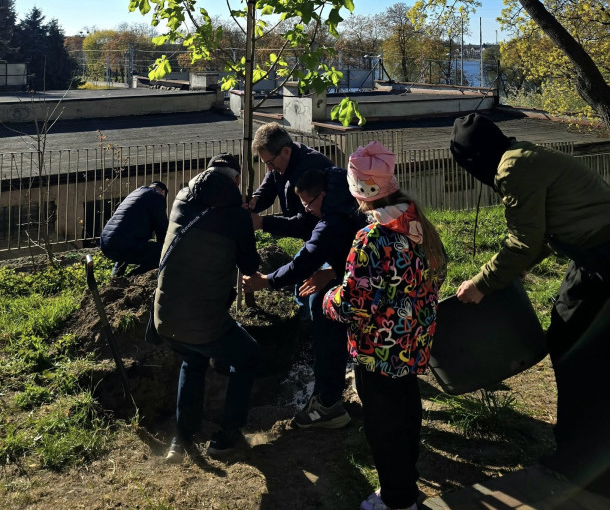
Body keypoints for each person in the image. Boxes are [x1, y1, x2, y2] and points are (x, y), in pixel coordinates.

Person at [450, 112, 610, 493]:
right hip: (592, 255)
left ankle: (583, 463)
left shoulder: (512, 170)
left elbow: (523, 241)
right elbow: (539, 237)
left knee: (577, 351)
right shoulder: (521, 154)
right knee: (582, 347)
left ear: (473, 160)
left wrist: (481, 283)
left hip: (601, 261)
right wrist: (510, 271)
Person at [323, 141, 446, 510]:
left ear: (359, 191)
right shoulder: (415, 222)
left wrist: (329, 299)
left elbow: (354, 304)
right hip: (412, 341)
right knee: (407, 407)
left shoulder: (372, 237)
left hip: (378, 349)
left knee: (383, 424)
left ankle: (397, 498)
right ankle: (406, 479)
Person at [153, 154, 261, 462]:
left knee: (193, 358)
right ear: (237, 181)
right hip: (203, 320)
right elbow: (250, 266)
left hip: (165, 315)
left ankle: (181, 439)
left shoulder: (181, 200)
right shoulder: (236, 216)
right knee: (248, 355)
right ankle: (227, 436)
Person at [243, 166, 367, 429]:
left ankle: (328, 405)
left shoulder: (332, 221)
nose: (307, 209)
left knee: (325, 316)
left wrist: (266, 280)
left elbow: (304, 260)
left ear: (321, 195)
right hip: (364, 273)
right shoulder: (347, 197)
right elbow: (317, 232)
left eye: (308, 204)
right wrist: (334, 270)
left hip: (362, 283)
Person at [248, 123, 333, 240]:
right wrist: (252, 201)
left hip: (329, 237)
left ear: (286, 151)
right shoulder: (279, 163)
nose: (269, 168)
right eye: (265, 163)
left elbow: (305, 224)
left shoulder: (310, 168)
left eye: (270, 162)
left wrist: (262, 223)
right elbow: (266, 192)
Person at [100, 181, 168, 277]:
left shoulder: (136, 193)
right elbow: (162, 228)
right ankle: (130, 280)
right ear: (163, 193)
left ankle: (115, 279)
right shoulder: (157, 197)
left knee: (126, 249)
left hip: (106, 243)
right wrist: (164, 247)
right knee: (165, 254)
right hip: (124, 243)